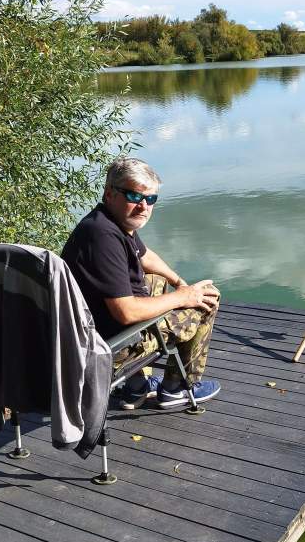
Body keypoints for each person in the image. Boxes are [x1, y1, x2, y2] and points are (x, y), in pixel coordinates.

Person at [61, 157, 221, 410]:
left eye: (151, 199)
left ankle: (135, 387)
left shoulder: (107, 221)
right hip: (113, 346)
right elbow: (126, 313)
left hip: (91, 330)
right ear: (110, 194)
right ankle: (176, 388)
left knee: (156, 280)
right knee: (206, 300)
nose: (144, 206)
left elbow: (144, 256)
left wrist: (179, 282)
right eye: (135, 197)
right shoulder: (103, 237)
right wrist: (185, 297)